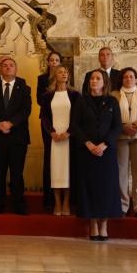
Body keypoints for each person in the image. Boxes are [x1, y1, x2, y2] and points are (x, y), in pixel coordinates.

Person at [74, 70, 123, 241]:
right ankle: (93, 223)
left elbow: (116, 127)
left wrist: (104, 144)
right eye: (91, 79)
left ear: (104, 82)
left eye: (97, 78)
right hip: (86, 151)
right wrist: (88, 144)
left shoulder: (112, 101)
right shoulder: (81, 101)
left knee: (106, 188)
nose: (94, 81)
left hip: (106, 152)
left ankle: (104, 225)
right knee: (90, 188)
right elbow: (75, 126)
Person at [0, 55, 32, 215]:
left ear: (16, 69)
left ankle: (19, 204)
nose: (8, 67)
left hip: (17, 137)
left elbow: (26, 110)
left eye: (12, 65)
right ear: (0, 68)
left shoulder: (23, 86)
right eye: (5, 65)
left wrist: (10, 123)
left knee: (17, 173)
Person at [40, 65, 81, 216]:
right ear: (54, 76)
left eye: (66, 72)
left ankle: (67, 202)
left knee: (68, 170)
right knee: (55, 170)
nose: (64, 74)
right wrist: (51, 132)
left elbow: (78, 117)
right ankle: (56, 202)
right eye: (60, 72)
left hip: (70, 138)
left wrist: (69, 133)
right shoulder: (47, 96)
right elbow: (43, 117)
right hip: (54, 138)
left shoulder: (75, 95)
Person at [113, 67, 137, 218]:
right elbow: (112, 116)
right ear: (121, 79)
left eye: (131, 76)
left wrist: (136, 125)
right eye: (125, 77)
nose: (128, 79)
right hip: (120, 137)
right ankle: (122, 205)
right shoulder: (114, 95)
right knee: (121, 172)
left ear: (136, 79)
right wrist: (123, 126)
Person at [37, 50, 63, 212]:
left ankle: (65, 199)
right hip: (48, 123)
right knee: (49, 159)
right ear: (47, 62)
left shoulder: (66, 78)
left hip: (64, 125)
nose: (54, 63)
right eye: (51, 60)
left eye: (57, 60)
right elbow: (40, 100)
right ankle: (49, 199)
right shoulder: (42, 79)